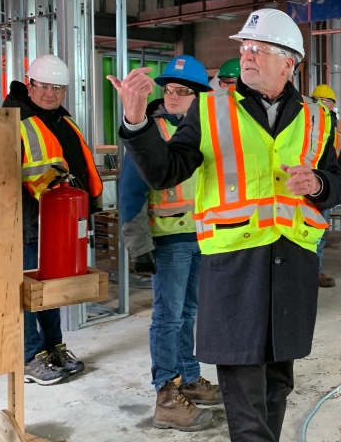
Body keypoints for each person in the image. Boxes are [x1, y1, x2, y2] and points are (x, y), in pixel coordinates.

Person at [109, 9, 341, 441]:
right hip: (234, 260)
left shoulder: (318, 118)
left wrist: (318, 183)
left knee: (278, 380)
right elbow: (165, 172)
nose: (247, 55)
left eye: (258, 49)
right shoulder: (210, 110)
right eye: (244, 47)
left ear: (289, 62)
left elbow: (339, 182)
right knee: (241, 378)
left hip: (292, 258)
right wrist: (137, 121)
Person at [118, 55, 220, 431]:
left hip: (201, 235)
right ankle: (166, 395)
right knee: (167, 316)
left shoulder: (204, 132)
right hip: (168, 238)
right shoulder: (152, 131)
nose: (174, 97)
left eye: (183, 91)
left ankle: (188, 379)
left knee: (189, 313)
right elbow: (130, 191)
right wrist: (138, 243)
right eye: (169, 90)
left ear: (198, 97)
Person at [4, 55, 102, 385]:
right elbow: (9, 175)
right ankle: (31, 356)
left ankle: (53, 348)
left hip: (56, 221)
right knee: (29, 291)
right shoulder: (12, 119)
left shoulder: (60, 120)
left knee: (51, 290)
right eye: (43, 86)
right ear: (29, 85)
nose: (50, 93)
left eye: (57, 87)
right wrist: (56, 177)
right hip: (28, 221)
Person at [311, 83, 341, 287]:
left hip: (326, 186)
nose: (322, 105)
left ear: (332, 105)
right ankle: (303, 271)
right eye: (317, 101)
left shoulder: (339, 129)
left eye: (326, 102)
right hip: (304, 185)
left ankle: (316, 271)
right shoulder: (305, 122)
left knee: (319, 233)